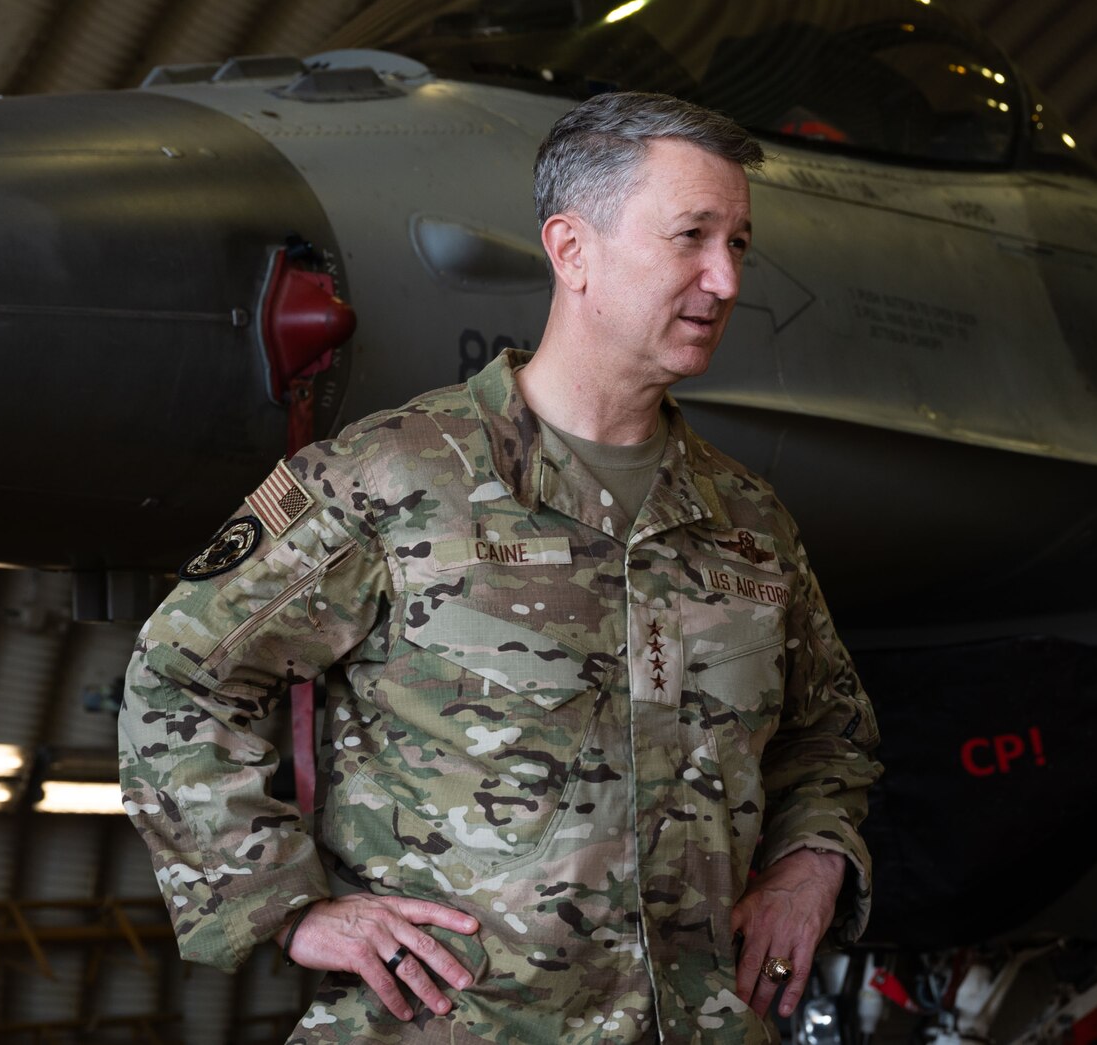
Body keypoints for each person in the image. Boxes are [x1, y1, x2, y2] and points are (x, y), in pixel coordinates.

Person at [119, 92, 881, 1043]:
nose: (724, 279)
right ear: (572, 250)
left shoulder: (750, 525)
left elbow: (832, 735)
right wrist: (286, 904)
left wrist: (811, 867)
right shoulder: (394, 476)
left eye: (739, 244)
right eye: (692, 236)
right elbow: (181, 670)